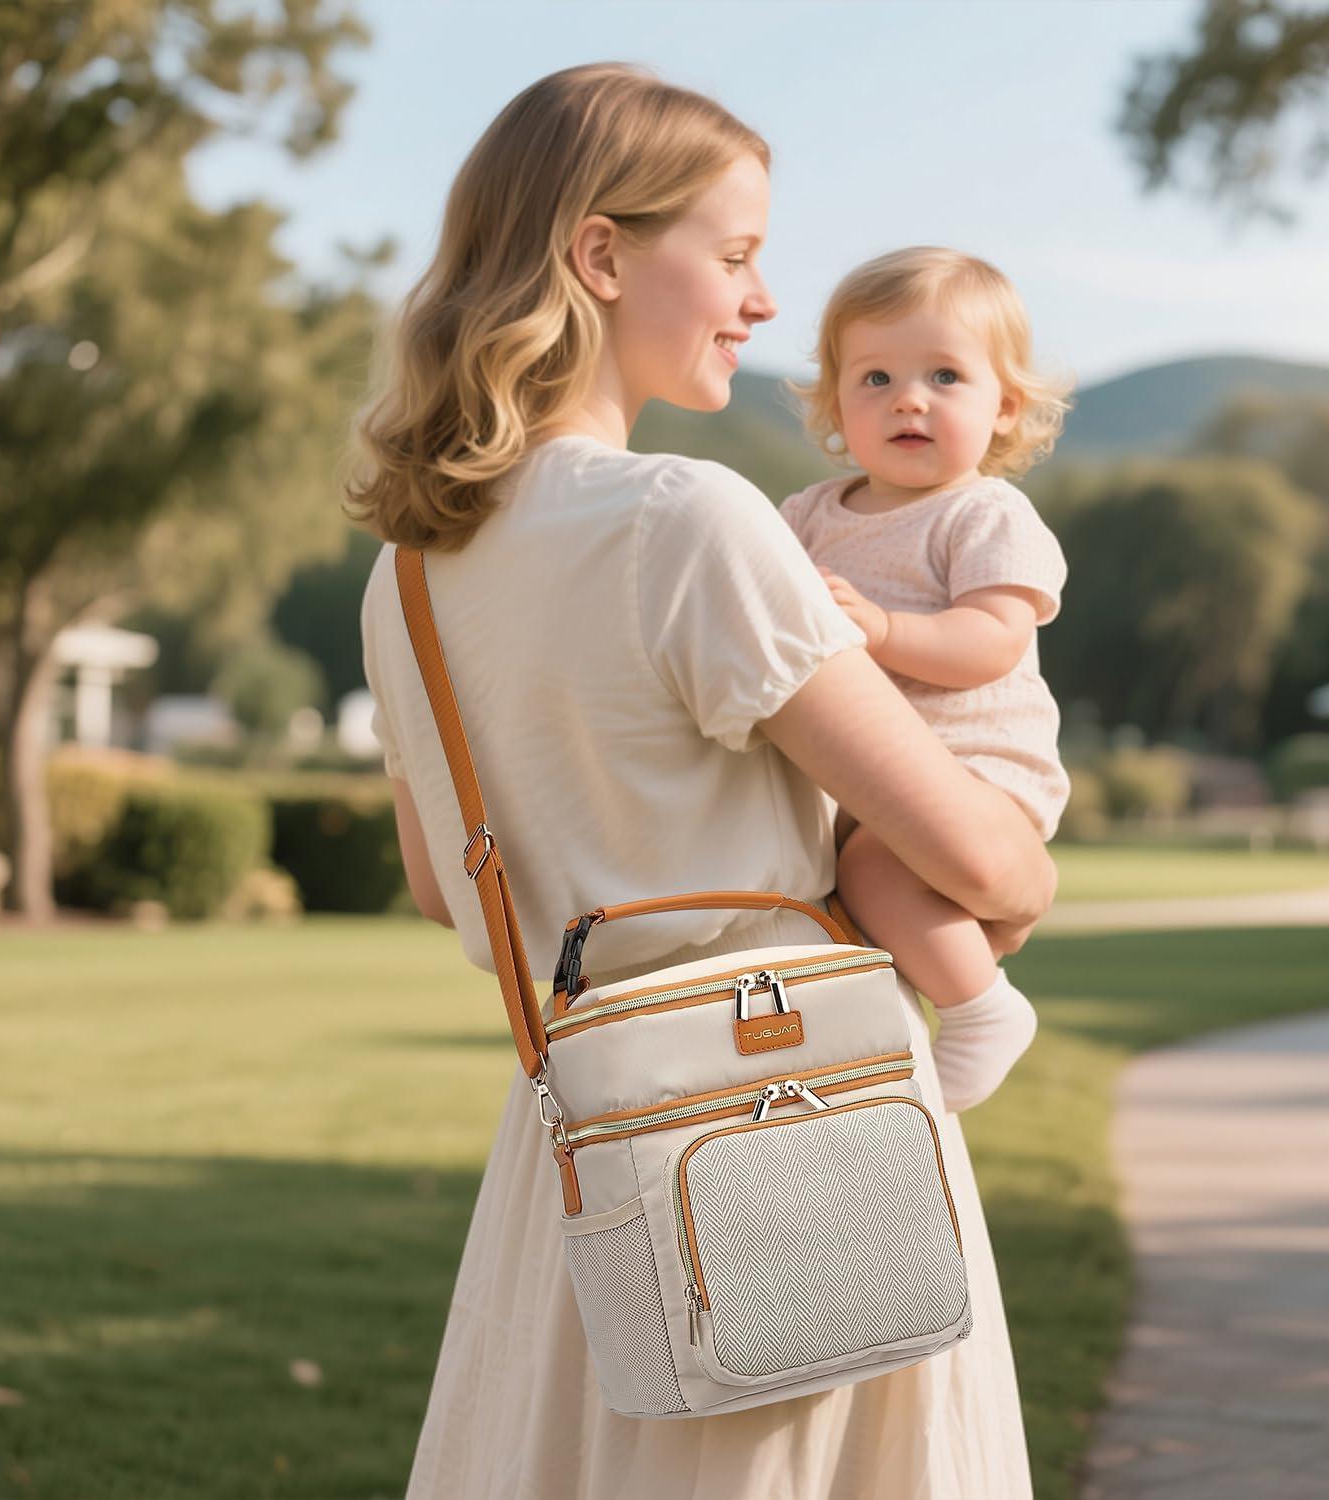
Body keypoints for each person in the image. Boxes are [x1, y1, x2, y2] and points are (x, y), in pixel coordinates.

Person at [350, 63, 1055, 1500]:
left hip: (585, 1142)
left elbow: (445, 891)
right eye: (733, 257)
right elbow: (990, 869)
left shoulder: (407, 574)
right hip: (790, 1126)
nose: (761, 301)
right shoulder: (689, 519)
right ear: (600, 257)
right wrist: (1011, 874)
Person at [780, 248, 1072, 1115]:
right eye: (875, 378)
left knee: (875, 873)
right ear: (837, 405)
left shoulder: (983, 512)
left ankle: (983, 1010)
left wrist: (883, 630)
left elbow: (990, 638)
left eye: (945, 375)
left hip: (975, 769)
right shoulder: (806, 516)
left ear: (1004, 406)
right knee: (847, 883)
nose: (909, 398)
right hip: (866, 775)